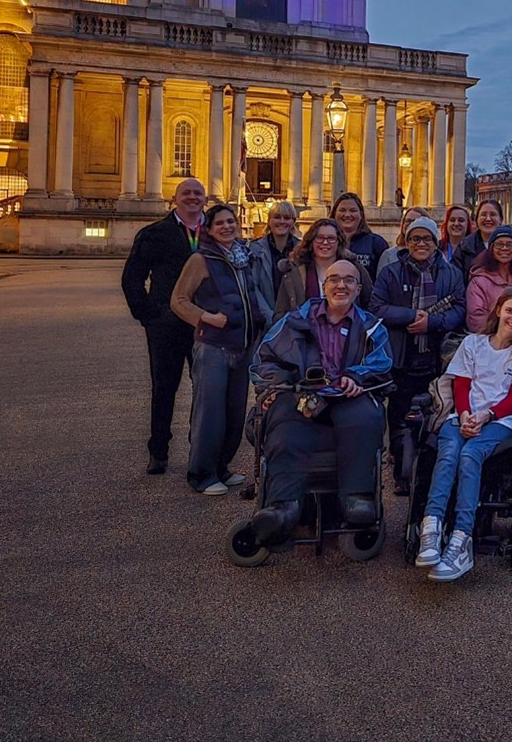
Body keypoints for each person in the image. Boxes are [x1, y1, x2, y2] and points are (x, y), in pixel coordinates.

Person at [247, 259, 392, 545]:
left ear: (359, 288)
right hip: (301, 394)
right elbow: (264, 360)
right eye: (334, 279)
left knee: (362, 416)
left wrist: (356, 377)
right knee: (286, 420)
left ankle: (356, 497)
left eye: (349, 280)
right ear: (324, 286)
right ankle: (283, 506)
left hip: (347, 397)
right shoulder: (294, 320)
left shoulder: (373, 327)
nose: (341, 285)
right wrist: (287, 383)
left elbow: (383, 364)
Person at [414, 287, 512, 582]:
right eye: (509, 310)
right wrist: (464, 415)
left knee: (471, 454)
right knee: (448, 453)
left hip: (500, 421)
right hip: (463, 415)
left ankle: (462, 539)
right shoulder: (473, 343)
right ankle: (432, 529)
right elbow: (461, 385)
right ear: (498, 310)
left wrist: (487, 415)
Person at [169, 203, 266, 495]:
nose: (227, 227)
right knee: (209, 412)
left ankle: (221, 466)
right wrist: (206, 317)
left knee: (234, 413)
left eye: (230, 222)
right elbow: (178, 300)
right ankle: (201, 473)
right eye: (219, 223)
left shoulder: (243, 256)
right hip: (213, 346)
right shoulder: (201, 259)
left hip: (243, 344)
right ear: (208, 230)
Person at [373, 215, 467, 494]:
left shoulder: (451, 273)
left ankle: (428, 471)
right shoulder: (391, 272)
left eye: (426, 238)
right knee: (400, 414)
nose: (421, 243)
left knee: (435, 414)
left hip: (435, 355)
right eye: (415, 238)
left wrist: (432, 323)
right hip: (402, 354)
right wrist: (411, 316)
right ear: (407, 241)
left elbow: (460, 309)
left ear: (435, 242)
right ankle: (402, 474)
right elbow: (376, 307)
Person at [121, 177, 207, 474]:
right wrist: (148, 314)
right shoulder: (155, 233)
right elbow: (132, 277)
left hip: (204, 324)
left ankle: (200, 447)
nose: (192, 198)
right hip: (166, 324)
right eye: (187, 193)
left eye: (198, 193)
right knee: (164, 388)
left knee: (206, 390)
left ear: (205, 200)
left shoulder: (215, 233)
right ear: (175, 198)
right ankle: (159, 450)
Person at [272, 218, 376, 323]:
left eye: (331, 238)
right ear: (311, 241)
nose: (325, 242)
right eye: (320, 238)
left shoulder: (355, 269)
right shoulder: (295, 272)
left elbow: (370, 304)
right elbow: (280, 313)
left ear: (338, 242)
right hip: (304, 334)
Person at [466, 225, 512, 333]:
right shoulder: (479, 281)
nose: (504, 248)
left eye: (510, 245)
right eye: (499, 244)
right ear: (491, 248)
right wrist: (503, 333)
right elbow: (476, 318)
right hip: (489, 340)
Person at [249, 200, 299, 324]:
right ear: (269, 221)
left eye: (287, 218)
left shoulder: (302, 250)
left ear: (293, 222)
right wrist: (270, 317)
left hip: (295, 320)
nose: (282, 221)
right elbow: (253, 286)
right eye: (277, 217)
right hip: (264, 320)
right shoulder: (254, 249)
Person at [330, 191, 389, 276]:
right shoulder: (325, 242)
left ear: (361, 215)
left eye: (353, 210)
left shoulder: (376, 243)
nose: (347, 215)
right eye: (342, 210)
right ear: (334, 214)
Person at [453, 199, 504, 281]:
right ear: (476, 220)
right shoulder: (464, 247)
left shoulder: (511, 246)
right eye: (483, 215)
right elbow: (455, 279)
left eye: (493, 214)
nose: (488, 219)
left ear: (501, 220)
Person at [377, 205, 432, 274]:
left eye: (415, 221)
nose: (410, 224)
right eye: (407, 221)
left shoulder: (435, 256)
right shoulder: (389, 255)